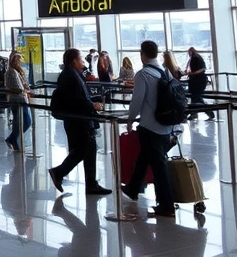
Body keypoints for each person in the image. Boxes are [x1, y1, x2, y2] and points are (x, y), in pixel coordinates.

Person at [123, 41, 176, 218]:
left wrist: (130, 119)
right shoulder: (166, 72)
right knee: (144, 157)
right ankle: (132, 188)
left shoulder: (143, 74)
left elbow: (137, 101)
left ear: (143, 54)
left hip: (149, 126)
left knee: (158, 165)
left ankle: (166, 204)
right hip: (166, 125)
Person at [48, 48, 111, 195]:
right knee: (84, 149)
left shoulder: (73, 74)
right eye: (81, 59)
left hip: (80, 119)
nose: (83, 62)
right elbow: (75, 99)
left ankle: (90, 183)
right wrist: (91, 105)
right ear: (74, 60)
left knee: (87, 150)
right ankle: (59, 172)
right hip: (79, 120)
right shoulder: (69, 76)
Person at [4, 52, 32, 151]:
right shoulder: (11, 71)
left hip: (19, 98)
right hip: (17, 99)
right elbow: (16, 87)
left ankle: (13, 138)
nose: (20, 62)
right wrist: (24, 90)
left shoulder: (15, 71)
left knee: (20, 120)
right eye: (18, 60)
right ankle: (12, 138)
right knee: (25, 120)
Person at [183, 48, 214, 120]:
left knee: (197, 98)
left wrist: (192, 73)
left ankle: (208, 112)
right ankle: (194, 113)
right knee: (195, 98)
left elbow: (201, 69)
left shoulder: (195, 58)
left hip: (197, 81)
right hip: (197, 81)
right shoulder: (196, 58)